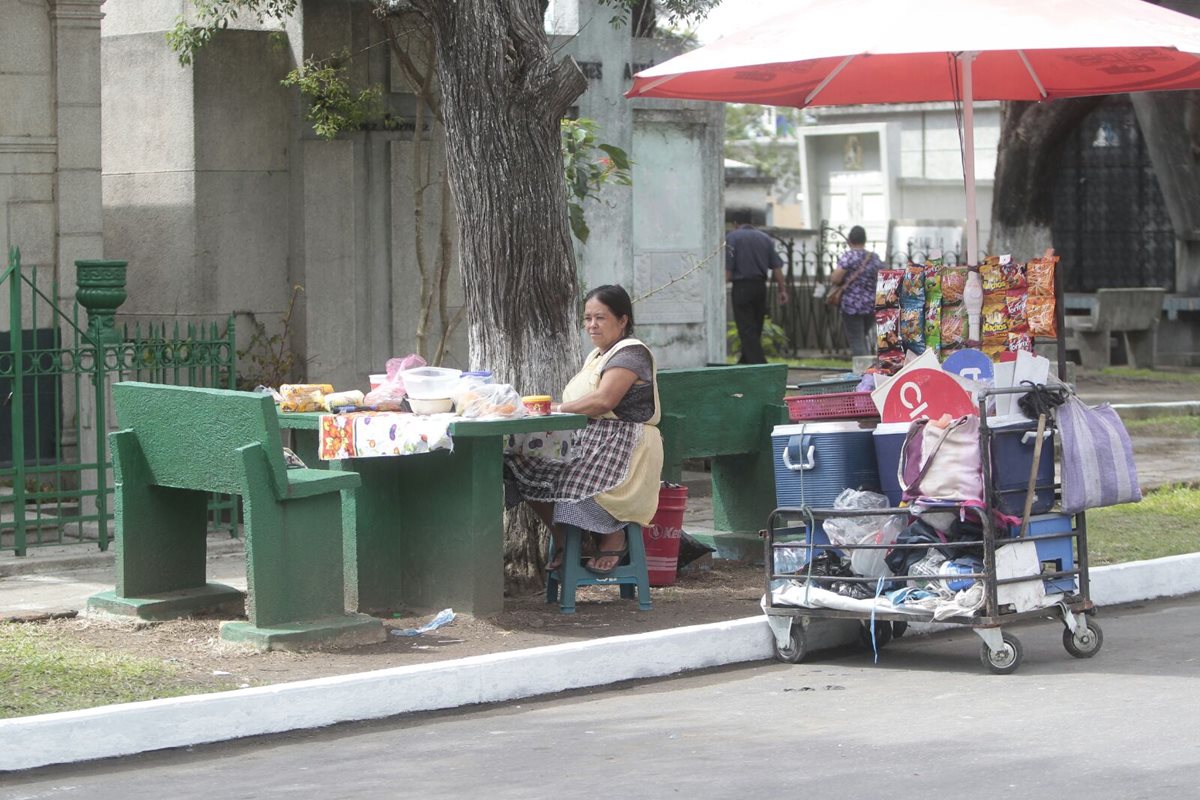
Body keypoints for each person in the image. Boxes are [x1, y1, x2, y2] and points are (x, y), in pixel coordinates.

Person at [505, 285, 664, 576]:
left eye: (600, 318)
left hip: (622, 446)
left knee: (568, 484)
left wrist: (557, 408)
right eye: (587, 318)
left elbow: (605, 400)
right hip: (588, 439)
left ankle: (613, 535)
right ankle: (566, 538)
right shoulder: (596, 356)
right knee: (518, 463)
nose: (592, 325)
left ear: (622, 320)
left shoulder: (631, 353)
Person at [725, 215, 788, 364]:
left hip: (741, 286)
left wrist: (723, 283)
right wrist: (782, 290)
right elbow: (777, 267)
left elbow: (728, 266)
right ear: (752, 223)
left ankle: (759, 364)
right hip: (760, 286)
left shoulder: (733, 237)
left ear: (735, 223)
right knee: (756, 325)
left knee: (746, 327)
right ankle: (745, 362)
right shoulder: (765, 238)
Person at [834, 225, 882, 357]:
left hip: (851, 306)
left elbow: (836, 278)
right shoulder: (874, 258)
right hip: (871, 304)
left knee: (857, 340)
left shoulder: (849, 257)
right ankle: (867, 367)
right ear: (865, 240)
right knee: (862, 337)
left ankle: (864, 370)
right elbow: (882, 276)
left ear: (849, 240)